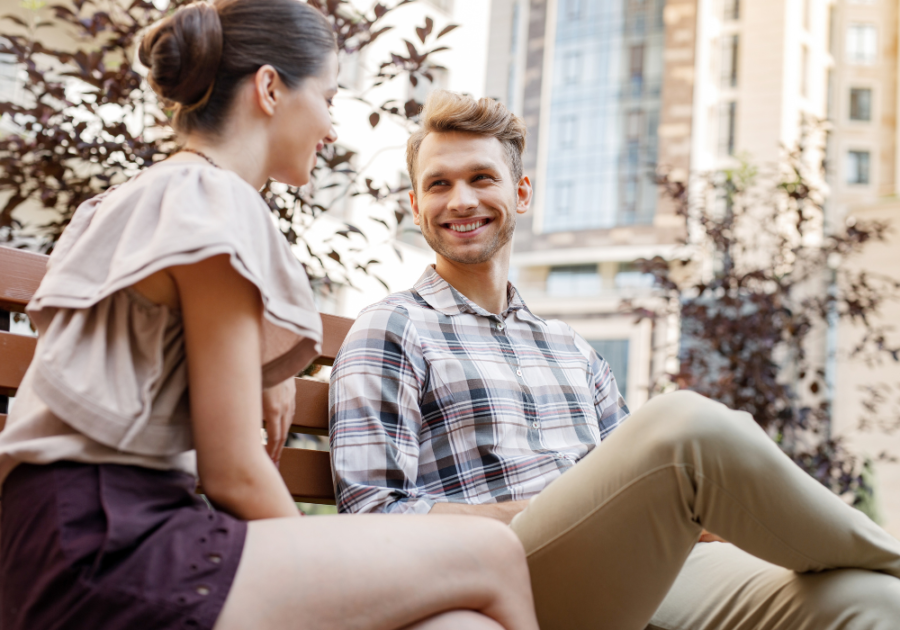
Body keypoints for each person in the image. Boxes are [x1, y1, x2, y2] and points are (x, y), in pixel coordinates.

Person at [0, 5, 540, 630]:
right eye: (328, 97)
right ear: (270, 88)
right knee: (494, 552)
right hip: (107, 546)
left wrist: (264, 369)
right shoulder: (212, 201)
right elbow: (232, 471)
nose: (331, 129)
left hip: (58, 538)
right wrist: (332, 579)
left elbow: (137, 351)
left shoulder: (135, 198)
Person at [329, 89, 900, 630]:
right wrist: (546, 513)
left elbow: (645, 485)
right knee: (683, 424)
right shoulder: (392, 328)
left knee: (870, 601)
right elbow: (374, 515)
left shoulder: (569, 347)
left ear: (521, 194)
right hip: (499, 579)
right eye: (438, 185)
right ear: (416, 205)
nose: (461, 200)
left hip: (635, 573)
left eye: (482, 178)